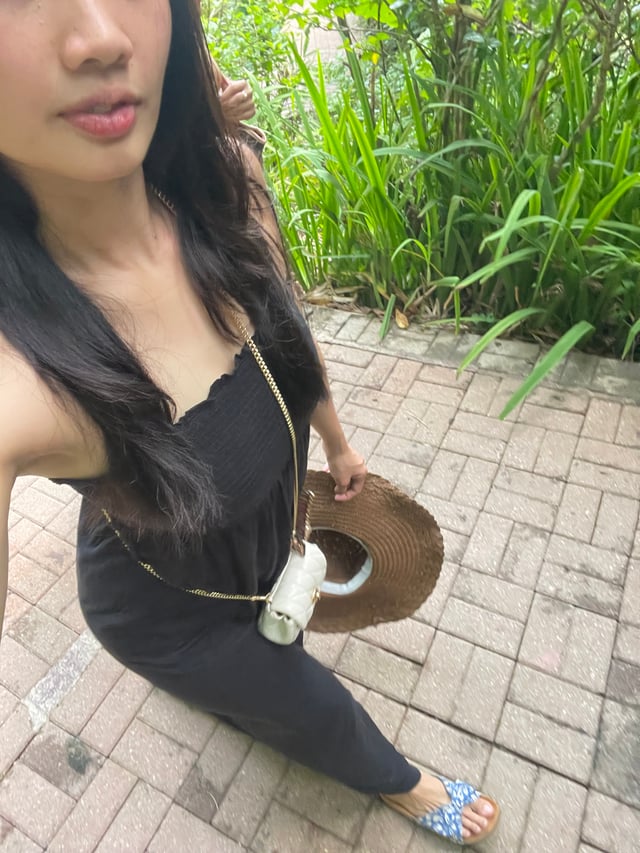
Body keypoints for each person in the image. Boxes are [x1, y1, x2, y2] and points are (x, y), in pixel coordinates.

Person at [0, 1, 498, 846]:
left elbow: (287, 337)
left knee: (271, 646)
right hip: (163, 610)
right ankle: (401, 782)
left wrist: (336, 439)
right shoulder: (19, 372)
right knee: (308, 702)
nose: (101, 37)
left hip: (253, 540)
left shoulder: (229, 184)